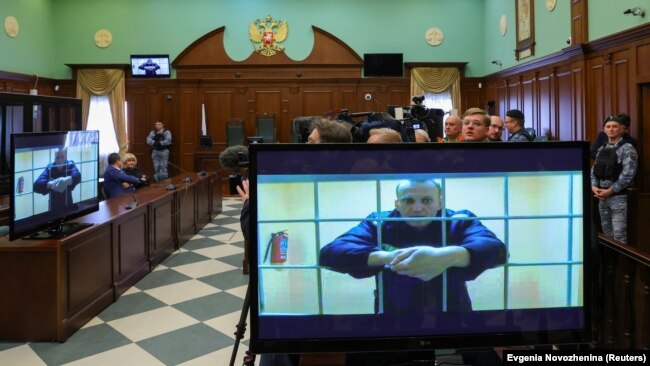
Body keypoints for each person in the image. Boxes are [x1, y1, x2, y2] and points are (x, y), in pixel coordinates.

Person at [319, 179, 507, 315]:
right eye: (409, 201)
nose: (417, 208)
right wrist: (389, 256)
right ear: (397, 204)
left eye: (426, 200)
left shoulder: (458, 220)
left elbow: (497, 250)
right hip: (393, 321)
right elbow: (330, 254)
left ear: (439, 203)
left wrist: (445, 255)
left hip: (454, 317)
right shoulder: (378, 222)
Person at [591, 115, 638, 243]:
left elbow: (628, 174)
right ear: (604, 130)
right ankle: (610, 263)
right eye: (608, 126)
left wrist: (611, 190)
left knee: (619, 236)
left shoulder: (627, 148)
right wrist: (594, 187)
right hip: (601, 196)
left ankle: (621, 264)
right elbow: (594, 171)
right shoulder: (602, 149)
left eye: (614, 126)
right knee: (607, 236)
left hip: (618, 197)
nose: (611, 129)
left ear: (621, 129)